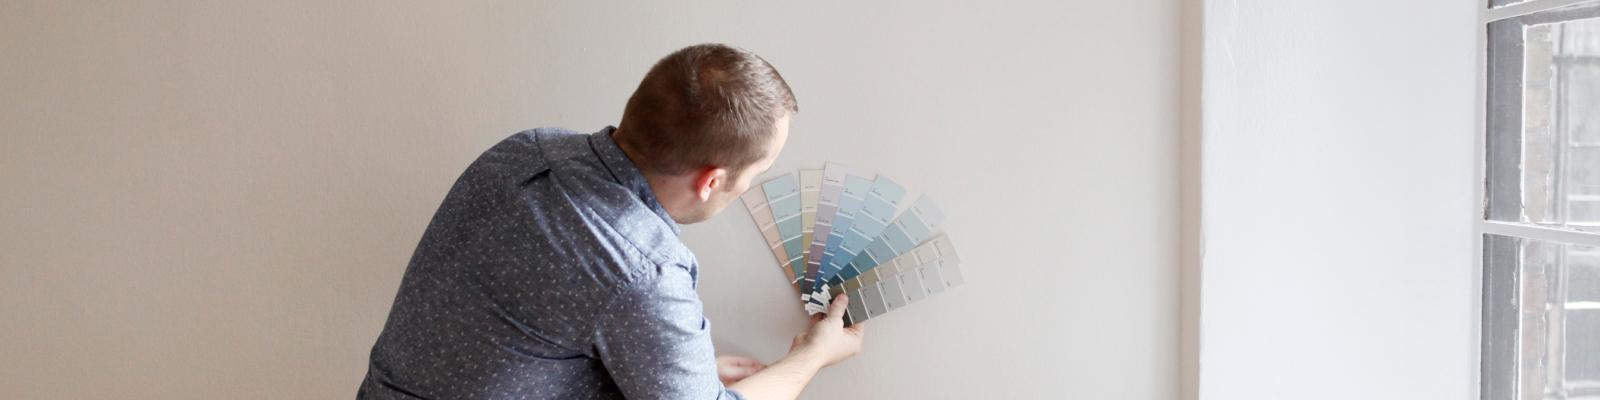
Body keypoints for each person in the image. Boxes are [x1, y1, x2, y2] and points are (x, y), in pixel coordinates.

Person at [358, 43, 864, 400]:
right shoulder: (643, 269)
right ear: (711, 180)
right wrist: (811, 356)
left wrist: (678, 374)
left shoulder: (525, 148)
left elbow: (522, 330)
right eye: (759, 171)